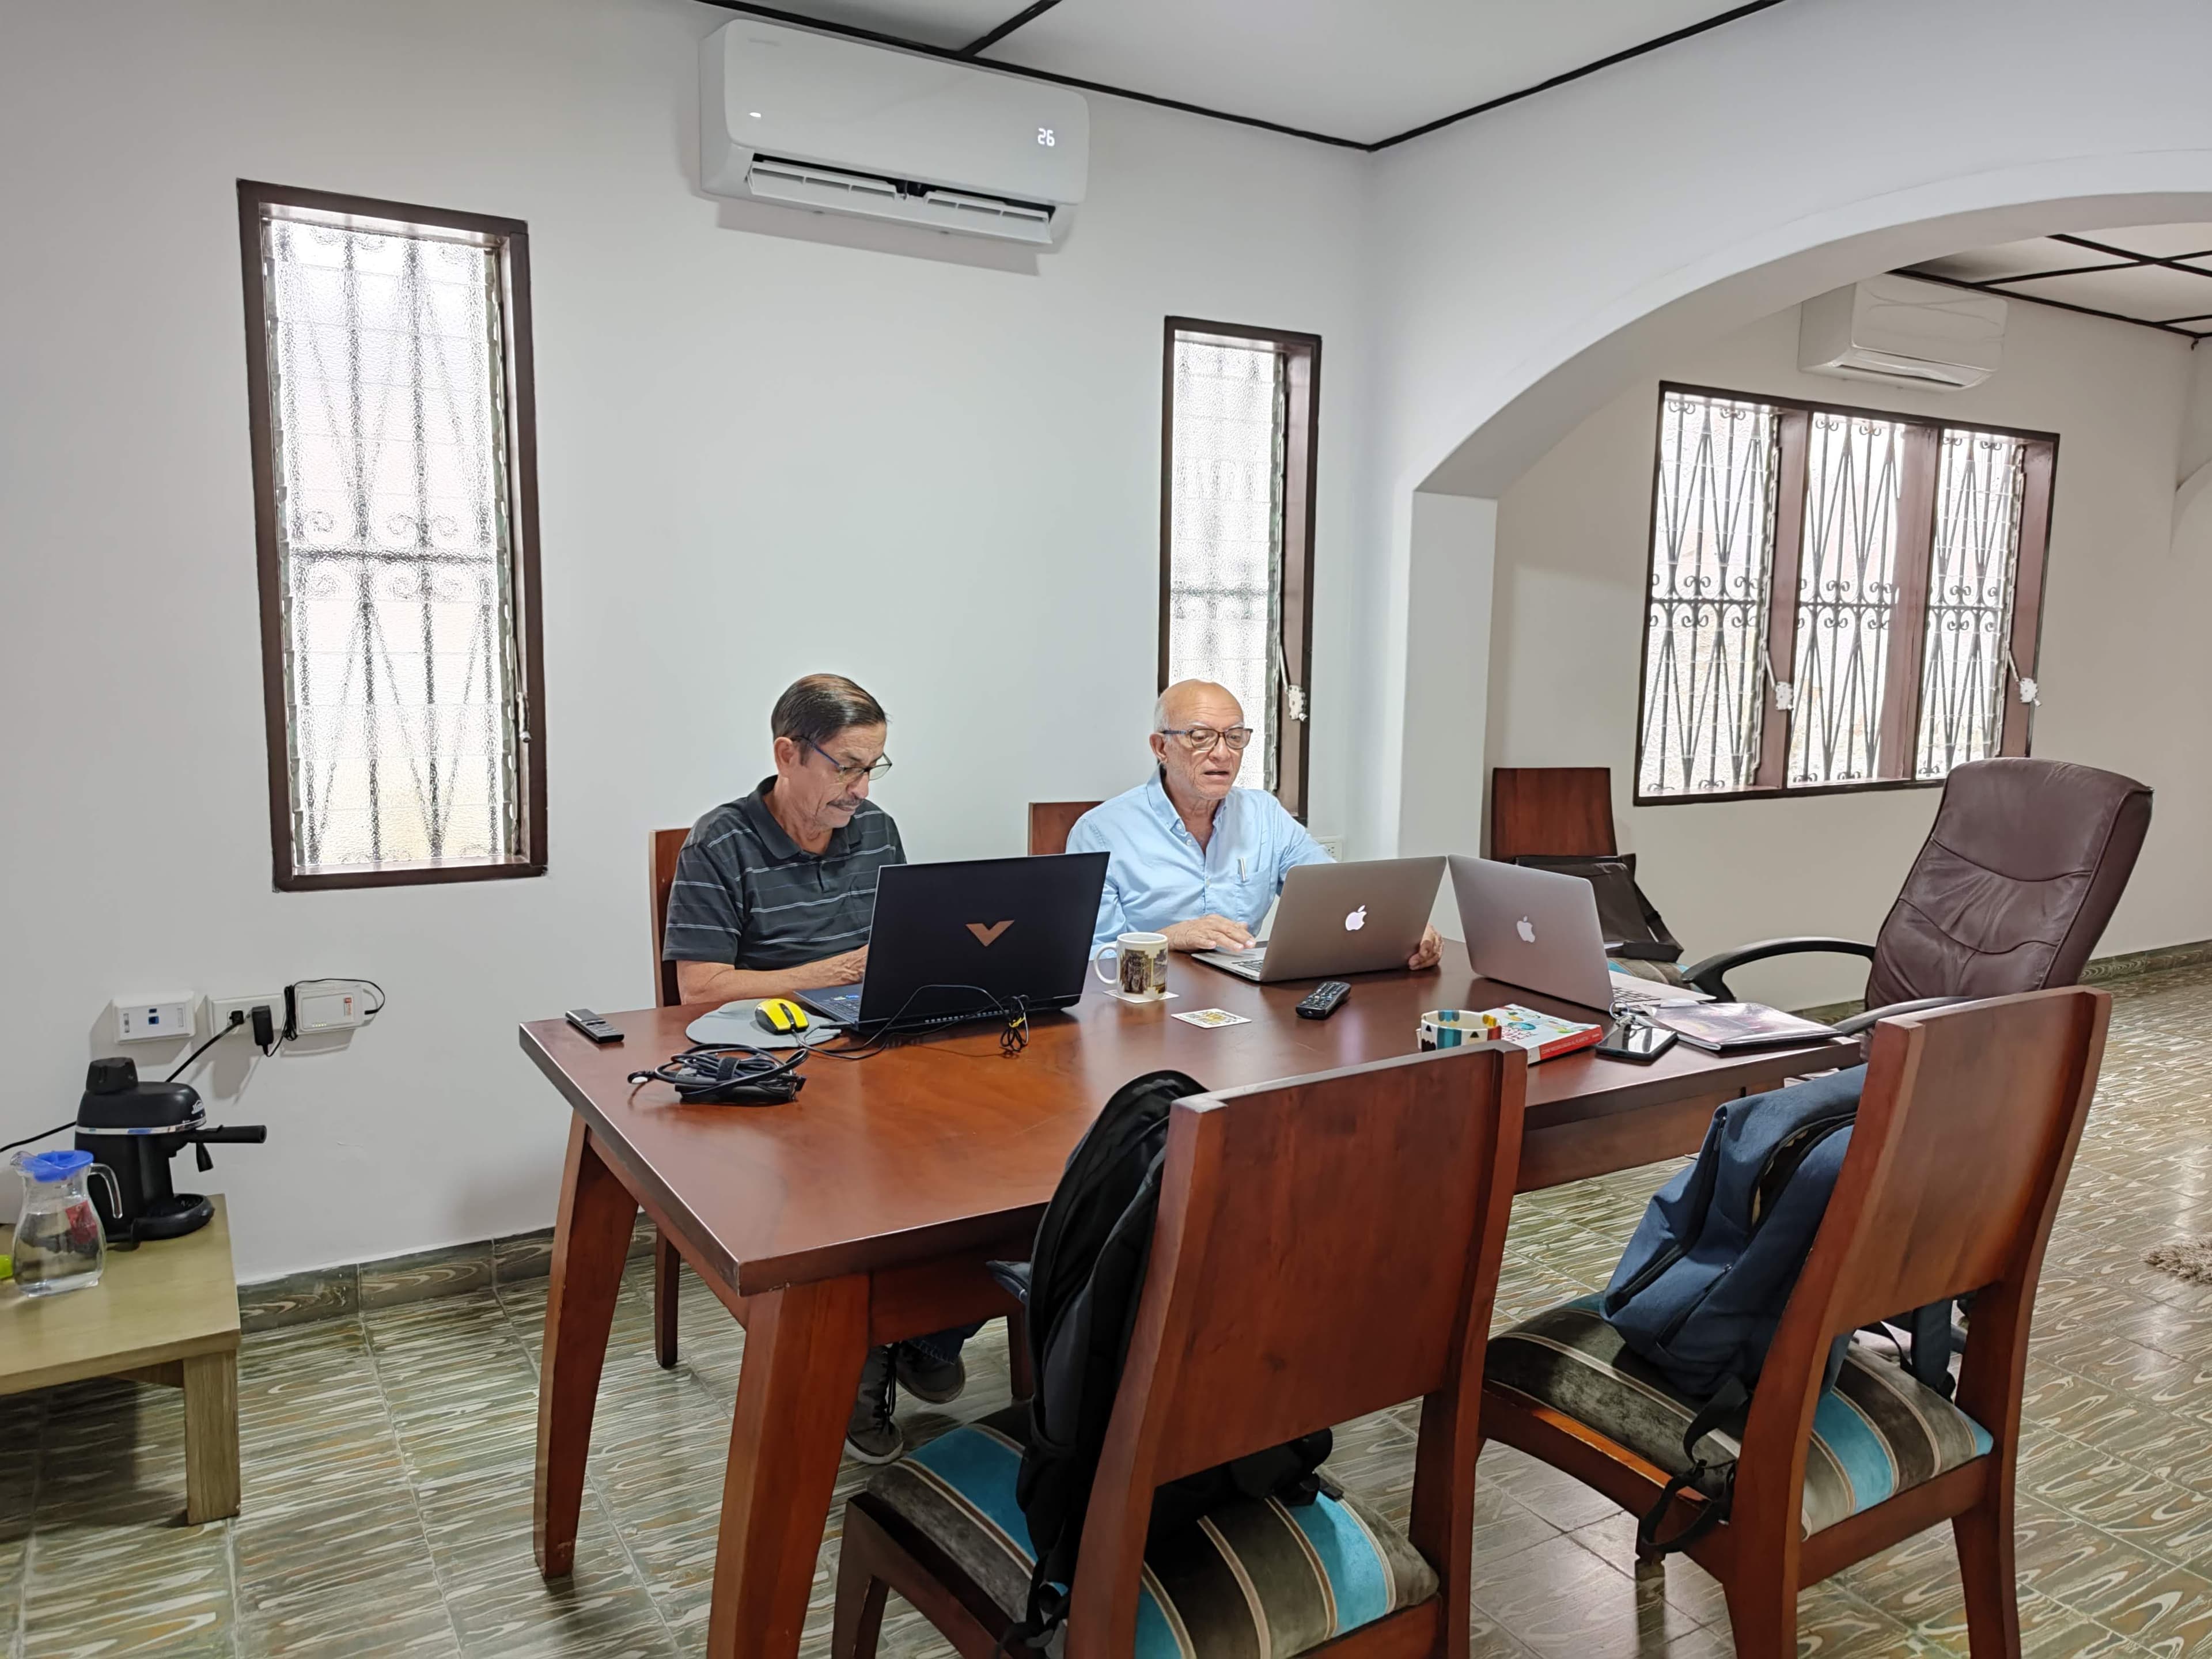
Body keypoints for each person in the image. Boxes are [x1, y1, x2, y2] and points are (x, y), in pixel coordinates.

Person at [661, 673, 972, 1465]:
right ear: (787, 755)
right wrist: (832, 972)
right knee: (854, 1181)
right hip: (775, 1062)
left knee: (990, 1159)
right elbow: (698, 986)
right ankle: (861, 1365)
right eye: (847, 767)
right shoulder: (720, 841)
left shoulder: (878, 831)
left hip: (875, 1049)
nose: (861, 789)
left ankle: (928, 1333)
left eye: (874, 768)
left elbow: (900, 947)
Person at [1069, 679, 1443, 969]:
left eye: (1234, 737)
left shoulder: (1264, 815)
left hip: (1244, 998)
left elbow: (1336, 898)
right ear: (1161, 747)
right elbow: (1086, 959)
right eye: (1201, 737)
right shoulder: (1101, 832)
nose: (1222, 753)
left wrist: (1399, 929)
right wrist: (1168, 938)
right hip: (1146, 1006)